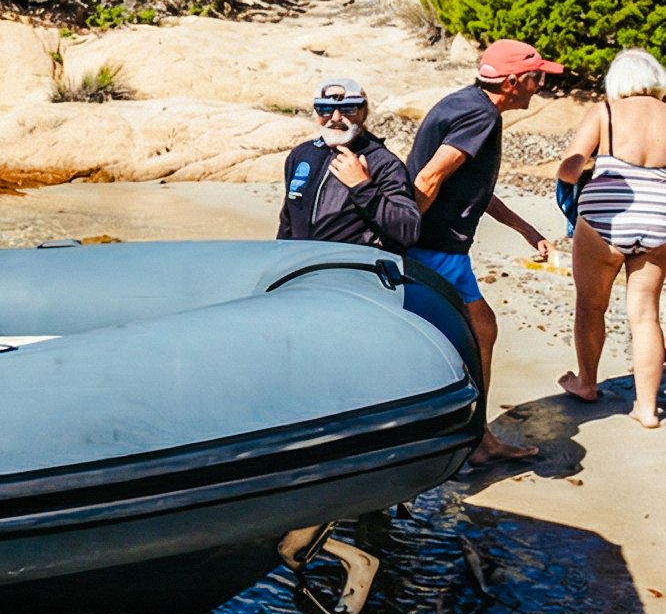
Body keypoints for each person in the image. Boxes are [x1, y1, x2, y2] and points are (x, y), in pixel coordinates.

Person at [408, 39, 563, 463]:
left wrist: (525, 228)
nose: (540, 85)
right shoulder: (479, 116)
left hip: (439, 246)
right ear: (513, 82)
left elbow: (470, 187)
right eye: (537, 77)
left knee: (476, 330)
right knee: (476, 331)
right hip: (435, 247)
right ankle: (473, 437)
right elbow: (428, 178)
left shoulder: (466, 103)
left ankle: (468, 432)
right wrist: (401, 238)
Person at [558, 50, 666, 426]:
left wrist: (570, 181)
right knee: (646, 313)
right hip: (658, 218)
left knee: (591, 305)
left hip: (606, 217)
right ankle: (648, 409)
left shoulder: (606, 111)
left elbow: (571, 166)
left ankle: (587, 383)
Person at [276, 76, 419, 252]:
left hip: (350, 271)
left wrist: (362, 187)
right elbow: (287, 221)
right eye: (325, 109)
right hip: (301, 269)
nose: (336, 117)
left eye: (347, 109)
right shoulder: (302, 155)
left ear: (362, 112)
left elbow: (408, 230)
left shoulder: (384, 163)